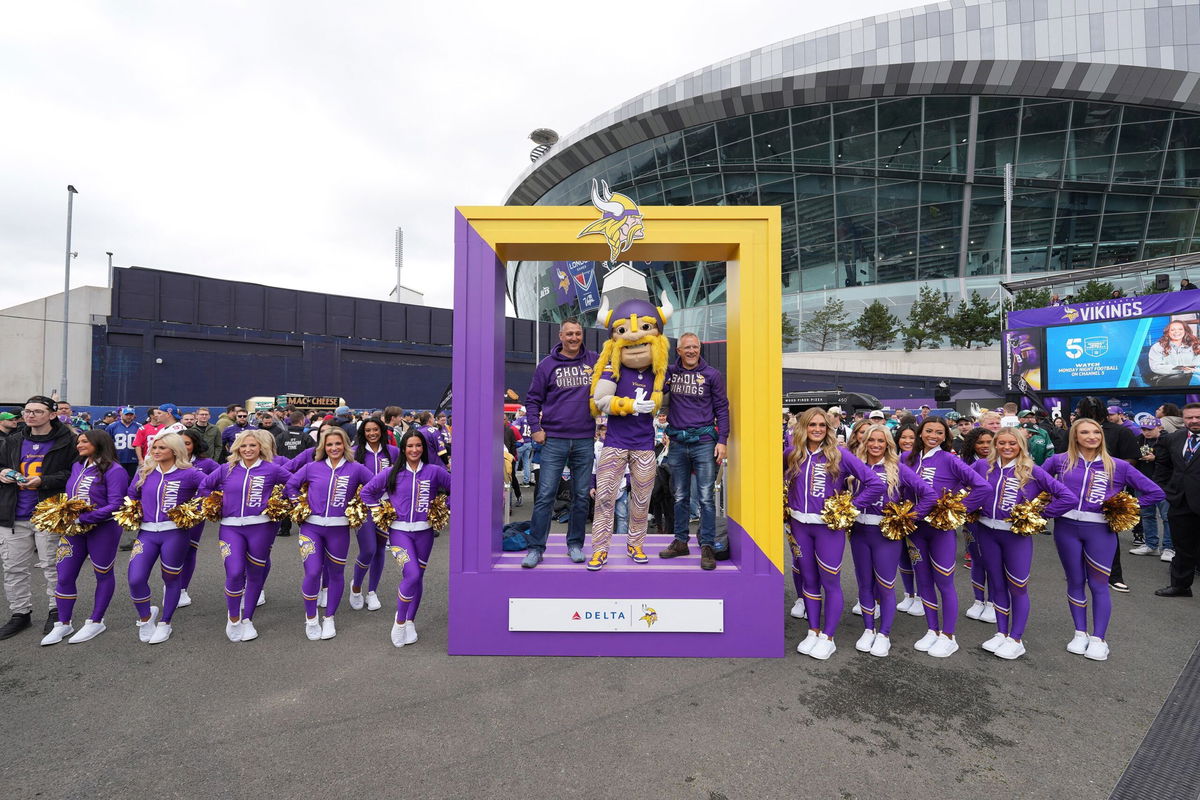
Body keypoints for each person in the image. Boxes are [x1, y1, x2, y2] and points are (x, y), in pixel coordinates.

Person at [1044, 419, 1163, 660]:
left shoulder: (1118, 466)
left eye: (1096, 432)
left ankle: (1099, 638)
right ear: (1074, 437)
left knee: (1098, 584)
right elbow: (1033, 484)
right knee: (1075, 581)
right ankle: (1080, 633)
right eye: (1084, 432)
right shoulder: (1058, 461)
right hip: (1066, 528)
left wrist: (1126, 508)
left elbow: (1155, 492)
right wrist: (1042, 509)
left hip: (1101, 532)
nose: (1091, 436)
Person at [786, 408, 883, 660]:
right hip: (799, 526)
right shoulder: (791, 454)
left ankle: (828, 637)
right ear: (803, 427)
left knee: (830, 582)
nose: (817, 429)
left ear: (828, 429)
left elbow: (874, 483)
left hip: (828, 528)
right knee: (808, 580)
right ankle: (813, 631)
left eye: (822, 425)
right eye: (812, 425)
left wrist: (850, 507)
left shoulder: (839, 455)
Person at [971, 428, 1073, 660]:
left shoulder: (1032, 470)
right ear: (995, 444)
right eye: (1002, 443)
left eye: (1012, 444)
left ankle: (1016, 638)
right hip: (986, 532)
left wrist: (1040, 515)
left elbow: (1067, 497)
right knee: (996, 584)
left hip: (1015, 537)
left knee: (1017, 586)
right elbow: (963, 487)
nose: (1007, 447)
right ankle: (1001, 632)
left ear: (1021, 446)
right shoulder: (981, 467)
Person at [904, 417, 990, 658]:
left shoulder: (950, 459)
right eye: (929, 430)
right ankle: (932, 630)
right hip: (915, 529)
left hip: (940, 530)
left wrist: (957, 509)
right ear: (920, 433)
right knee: (923, 581)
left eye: (939, 432)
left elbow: (982, 487)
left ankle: (949, 635)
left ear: (945, 436)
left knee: (944, 582)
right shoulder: (907, 459)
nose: (933, 435)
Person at [848, 424, 934, 657]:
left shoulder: (897, 467)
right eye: (871, 440)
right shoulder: (855, 466)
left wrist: (909, 518)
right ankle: (868, 629)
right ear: (864, 441)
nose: (876, 445)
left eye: (881, 441)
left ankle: (884, 633)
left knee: (886, 585)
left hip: (886, 535)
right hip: (859, 533)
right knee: (864, 583)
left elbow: (929, 494)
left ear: (888, 444)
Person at [39, 430, 131, 645]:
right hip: (73, 530)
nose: (78, 445)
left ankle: (96, 621)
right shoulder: (78, 465)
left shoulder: (114, 470)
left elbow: (116, 504)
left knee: (102, 573)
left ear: (99, 443)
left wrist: (85, 518)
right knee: (64, 575)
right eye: (78, 442)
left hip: (104, 529)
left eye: (84, 441)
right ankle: (63, 623)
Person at [360, 430, 451, 648]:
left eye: (418, 446)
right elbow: (367, 492)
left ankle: (411, 621)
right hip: (399, 532)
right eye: (410, 446)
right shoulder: (392, 472)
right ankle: (399, 622)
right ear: (403, 449)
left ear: (423, 448)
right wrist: (380, 511)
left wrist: (445, 508)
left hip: (425, 532)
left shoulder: (435, 471)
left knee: (417, 578)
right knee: (411, 574)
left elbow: (456, 489)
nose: (414, 450)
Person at [199, 430, 291, 642]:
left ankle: (247, 619)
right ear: (237, 448)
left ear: (261, 448)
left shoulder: (272, 469)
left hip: (261, 528)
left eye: (252, 445)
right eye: (243, 446)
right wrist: (214, 503)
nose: (248, 450)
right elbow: (204, 486)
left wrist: (280, 503)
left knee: (255, 574)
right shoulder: (226, 469)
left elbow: (294, 485)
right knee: (234, 572)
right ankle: (233, 618)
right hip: (231, 527)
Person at [521, 319, 599, 567]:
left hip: (585, 439)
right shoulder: (547, 365)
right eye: (569, 334)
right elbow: (532, 399)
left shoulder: (594, 360)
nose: (574, 338)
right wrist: (535, 428)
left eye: (578, 333)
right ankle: (536, 548)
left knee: (580, 496)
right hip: (554, 439)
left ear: (582, 334)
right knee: (545, 495)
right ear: (560, 336)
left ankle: (575, 544)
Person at [0, 395, 78, 639]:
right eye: (27, 411)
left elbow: (74, 475)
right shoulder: (13, 440)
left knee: (52, 566)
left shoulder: (69, 441)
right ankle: (20, 613)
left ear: (52, 415)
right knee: (13, 568)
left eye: (37, 411)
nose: (30, 415)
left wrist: (44, 481)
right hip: (14, 513)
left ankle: (57, 612)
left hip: (49, 512)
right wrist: (2, 472)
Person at [286, 427, 373, 640]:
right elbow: (291, 485)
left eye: (338, 443)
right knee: (313, 572)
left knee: (335, 574)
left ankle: (330, 618)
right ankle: (311, 618)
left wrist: (360, 506)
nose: (334, 448)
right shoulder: (311, 467)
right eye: (329, 444)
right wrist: (300, 504)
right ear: (323, 447)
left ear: (345, 445)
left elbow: (375, 486)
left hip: (339, 529)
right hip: (311, 527)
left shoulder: (356, 468)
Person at [125, 432, 205, 644]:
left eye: (162, 448)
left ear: (175, 450)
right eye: (154, 448)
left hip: (175, 533)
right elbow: (131, 494)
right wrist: (134, 510)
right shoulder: (145, 471)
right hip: (147, 532)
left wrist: (192, 510)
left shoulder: (190, 473)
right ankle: (145, 618)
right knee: (135, 578)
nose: (156, 451)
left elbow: (210, 492)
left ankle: (165, 622)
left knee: (171, 578)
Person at [658, 332, 730, 568]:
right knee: (679, 496)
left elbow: (722, 407)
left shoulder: (712, 375)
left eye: (695, 347)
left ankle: (707, 545)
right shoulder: (670, 372)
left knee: (706, 498)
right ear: (678, 350)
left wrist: (723, 440)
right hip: (678, 442)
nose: (691, 351)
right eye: (686, 347)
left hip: (703, 442)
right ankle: (680, 541)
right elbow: (654, 384)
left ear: (700, 349)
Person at [1077, 396, 1140, 593]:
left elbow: (1131, 459)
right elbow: (1062, 458)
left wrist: (1108, 472)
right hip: (1077, 491)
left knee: (1107, 533)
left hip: (1107, 490)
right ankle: (1080, 572)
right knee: (1076, 534)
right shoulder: (1074, 432)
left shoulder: (1121, 431)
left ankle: (1114, 575)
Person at [349, 418, 399, 611]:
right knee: (368, 549)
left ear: (382, 431)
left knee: (380, 550)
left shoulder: (393, 452)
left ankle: (372, 592)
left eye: (375, 429)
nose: (372, 433)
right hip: (363, 507)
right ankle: (356, 587)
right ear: (363, 433)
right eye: (368, 430)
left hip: (386, 507)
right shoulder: (354, 453)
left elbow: (400, 478)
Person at [1152, 402, 1200, 598]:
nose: (1194, 421)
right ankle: (1180, 586)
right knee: (1182, 546)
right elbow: (1163, 466)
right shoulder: (1174, 438)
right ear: (1183, 419)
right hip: (1180, 501)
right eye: (1189, 417)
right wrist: (1165, 490)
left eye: (1198, 417)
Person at [960, 427, 996, 623]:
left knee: (993, 561)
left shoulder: (1004, 462)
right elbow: (957, 486)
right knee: (976, 558)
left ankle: (993, 602)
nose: (985, 446)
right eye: (980, 442)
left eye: (989, 442)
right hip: (972, 519)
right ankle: (978, 600)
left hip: (995, 521)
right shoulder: (965, 463)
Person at [1130, 418, 1173, 560]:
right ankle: (1151, 545)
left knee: (1166, 517)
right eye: (1144, 429)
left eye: (1150, 429)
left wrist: (1157, 458)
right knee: (1147, 515)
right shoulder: (1138, 440)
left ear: (1158, 427)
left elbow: (1175, 461)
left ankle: (1168, 547)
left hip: (1163, 483)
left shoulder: (1168, 440)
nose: (1146, 432)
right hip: (1143, 482)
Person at [1146, 320, 1200, 384]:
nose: (1176, 332)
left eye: (1180, 329)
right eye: (1172, 330)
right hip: (1164, 378)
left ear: (1185, 331)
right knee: (1195, 379)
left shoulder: (1194, 346)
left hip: (1192, 375)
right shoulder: (1157, 347)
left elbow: (1197, 365)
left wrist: (1193, 370)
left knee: (1195, 378)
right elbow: (1156, 367)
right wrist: (1182, 369)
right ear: (1168, 332)